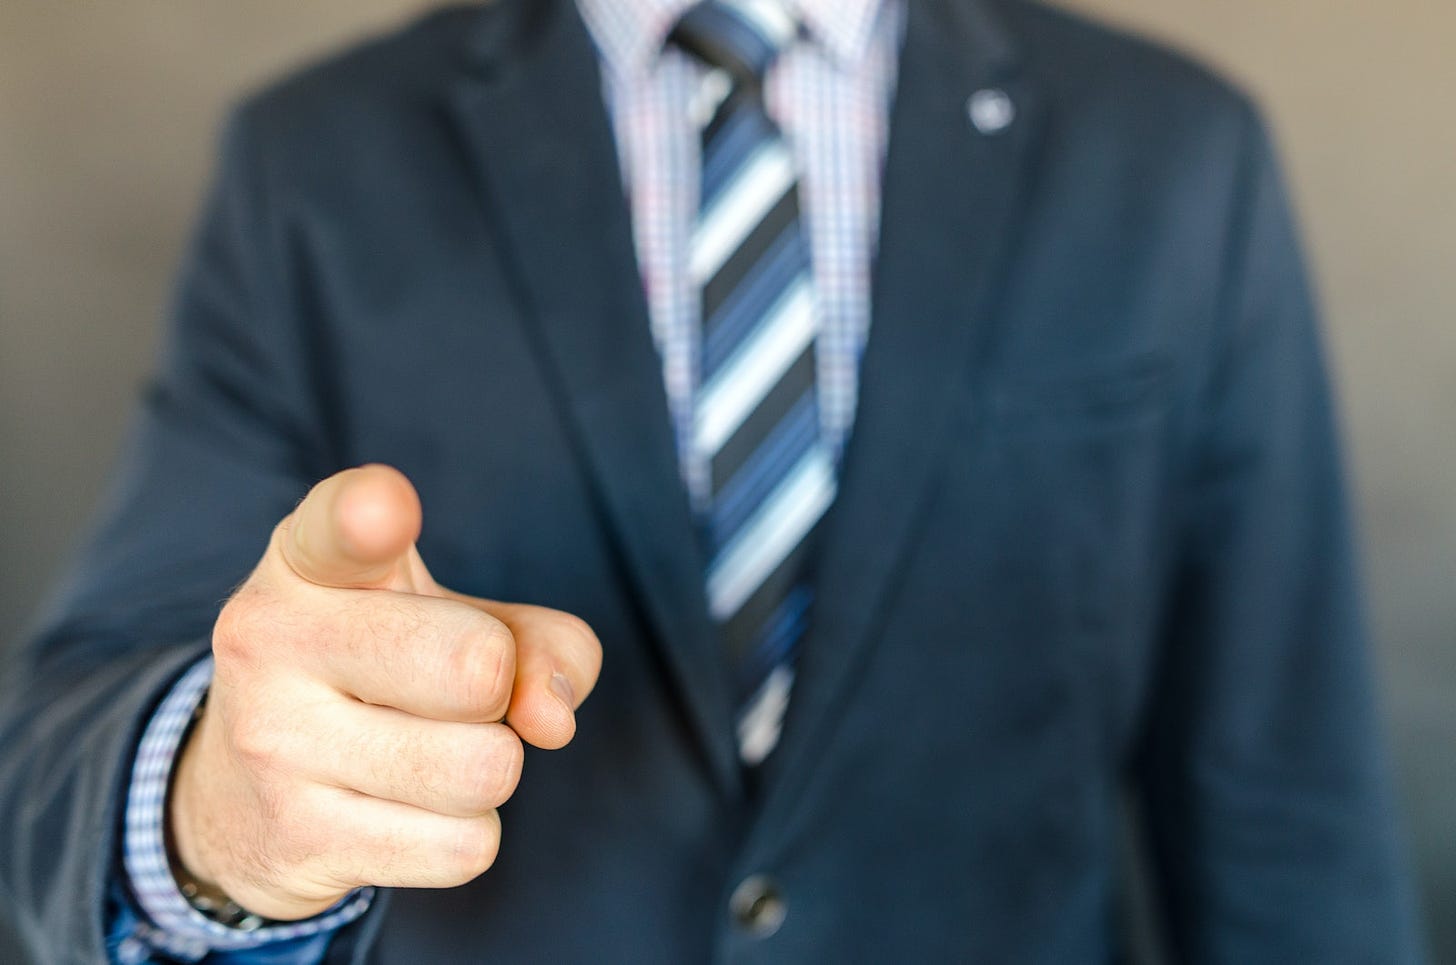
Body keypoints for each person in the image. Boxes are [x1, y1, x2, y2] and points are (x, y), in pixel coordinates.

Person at [0, 0, 1424, 960]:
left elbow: (1289, 813)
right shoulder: (314, 162)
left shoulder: (1174, 155)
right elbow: (71, 741)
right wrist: (220, 809)